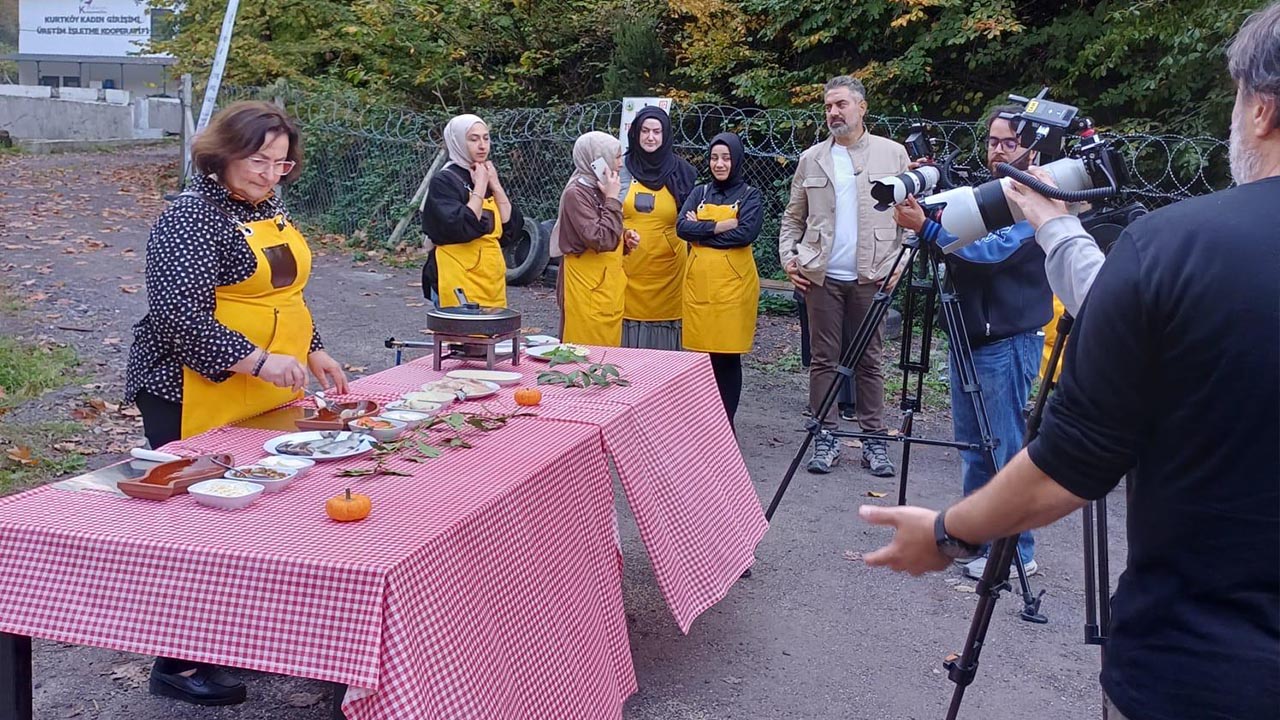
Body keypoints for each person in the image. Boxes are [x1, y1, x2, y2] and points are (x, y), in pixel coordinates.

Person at [860, 6, 1280, 720]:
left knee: (1000, 437)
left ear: (1262, 107)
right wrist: (1052, 228)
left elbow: (1071, 464)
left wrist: (944, 532)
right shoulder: (1172, 254)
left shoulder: (1176, 248)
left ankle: (1010, 560)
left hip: (1201, 668)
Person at [124, 100, 350, 705]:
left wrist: (315, 349)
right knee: (194, 520)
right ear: (222, 153)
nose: (270, 173)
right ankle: (177, 661)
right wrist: (254, 360)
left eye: (281, 163)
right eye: (258, 160)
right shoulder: (190, 218)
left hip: (261, 382)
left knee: (254, 507)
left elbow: (284, 293)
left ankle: (238, 635)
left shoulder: (267, 208)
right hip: (187, 386)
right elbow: (178, 316)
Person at [891, 105, 1053, 579]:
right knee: (973, 446)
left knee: (1003, 447)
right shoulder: (988, 193)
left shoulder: (1036, 198)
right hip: (967, 333)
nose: (998, 151)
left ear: (1032, 147)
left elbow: (988, 254)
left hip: (1007, 337)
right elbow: (956, 239)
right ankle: (977, 538)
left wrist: (927, 227)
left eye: (1009, 142)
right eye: (992, 141)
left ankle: (1018, 552)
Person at [778, 75, 910, 478]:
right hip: (822, 276)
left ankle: (874, 441)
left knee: (869, 359)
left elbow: (910, 220)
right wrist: (789, 258)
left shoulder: (893, 155)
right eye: (828, 106)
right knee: (823, 359)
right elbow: (792, 217)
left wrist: (898, 268)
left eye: (841, 105)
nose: (834, 112)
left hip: (873, 275)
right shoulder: (812, 158)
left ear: (861, 107)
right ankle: (826, 435)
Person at [676, 132, 763, 427]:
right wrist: (722, 225)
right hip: (699, 286)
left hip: (734, 290)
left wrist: (701, 230)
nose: (719, 163)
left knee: (727, 357)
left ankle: (725, 423)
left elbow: (746, 234)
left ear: (736, 159)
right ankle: (702, 423)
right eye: (714, 157)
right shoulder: (699, 193)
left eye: (726, 157)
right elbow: (681, 229)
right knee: (701, 359)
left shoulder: (751, 195)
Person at [421, 113, 524, 308]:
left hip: (489, 278)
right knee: (462, 335)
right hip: (455, 277)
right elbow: (461, 226)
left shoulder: (484, 173)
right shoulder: (444, 181)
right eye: (473, 139)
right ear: (458, 141)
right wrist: (480, 187)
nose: (482, 145)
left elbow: (510, 229)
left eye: (486, 138)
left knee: (491, 334)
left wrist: (495, 185)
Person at [620, 105, 697, 349]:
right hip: (627, 263)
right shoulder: (620, 168)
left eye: (656, 131)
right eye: (645, 131)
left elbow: (690, 218)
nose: (650, 137)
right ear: (635, 133)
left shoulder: (683, 172)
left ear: (665, 135)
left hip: (668, 270)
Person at [552, 131, 637, 346]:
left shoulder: (600, 187)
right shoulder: (576, 193)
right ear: (597, 159)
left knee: (608, 354)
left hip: (607, 285)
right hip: (585, 286)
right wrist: (613, 199)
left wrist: (625, 239)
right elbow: (600, 239)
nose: (620, 164)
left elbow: (608, 233)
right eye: (616, 157)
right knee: (583, 353)